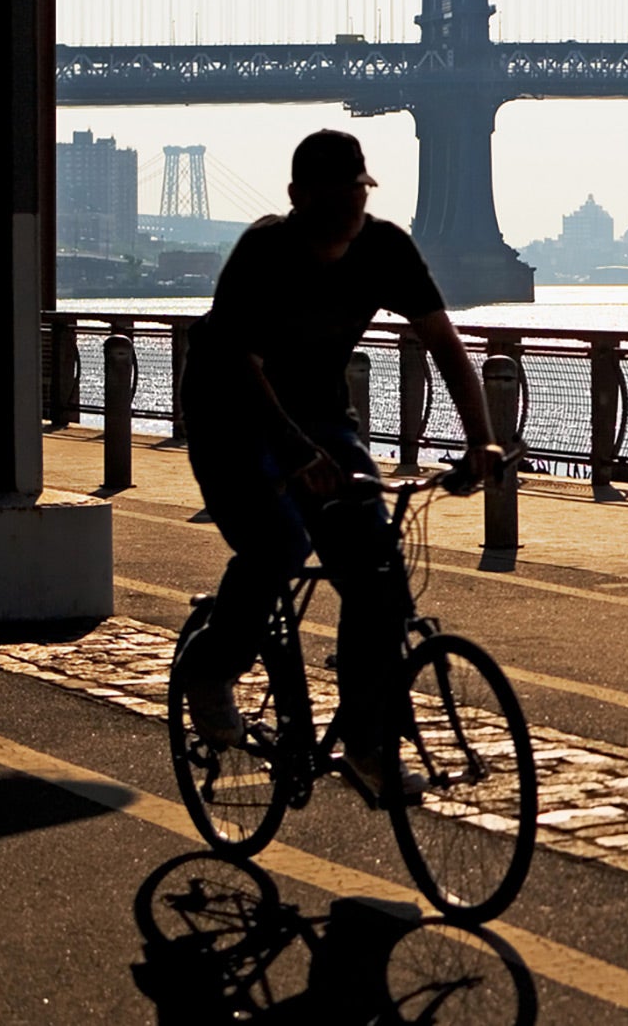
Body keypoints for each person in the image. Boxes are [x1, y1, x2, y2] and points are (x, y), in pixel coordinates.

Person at [178, 129, 499, 793]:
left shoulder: (384, 248)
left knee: (377, 574)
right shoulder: (263, 253)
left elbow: (444, 342)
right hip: (230, 415)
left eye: (358, 189)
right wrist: (294, 451)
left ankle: (366, 742)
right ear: (299, 197)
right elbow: (242, 366)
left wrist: (481, 441)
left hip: (320, 418)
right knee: (279, 542)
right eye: (335, 192)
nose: (351, 204)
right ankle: (211, 667)